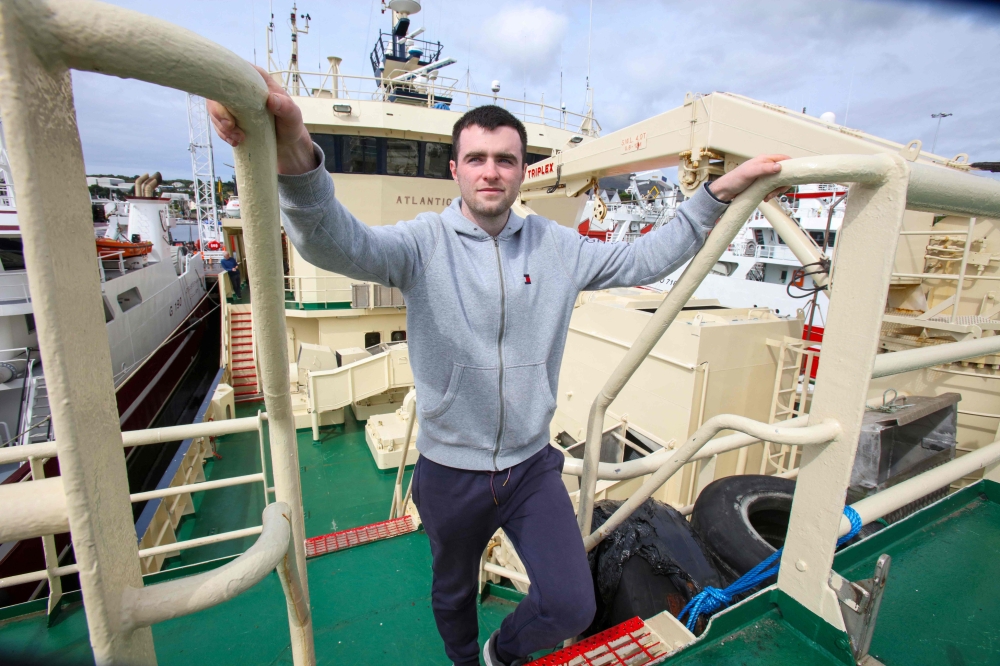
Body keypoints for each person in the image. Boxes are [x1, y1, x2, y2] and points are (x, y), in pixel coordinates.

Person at [209, 67, 788, 666]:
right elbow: (335, 243)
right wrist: (297, 152)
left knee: (571, 604)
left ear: (520, 170)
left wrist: (715, 195)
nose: (491, 171)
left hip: (530, 469)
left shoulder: (558, 246)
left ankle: (498, 654)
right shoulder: (421, 244)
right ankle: (464, 661)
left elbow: (645, 255)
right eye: (477, 158)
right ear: (455, 169)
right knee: (452, 592)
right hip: (448, 471)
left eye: (505, 160)